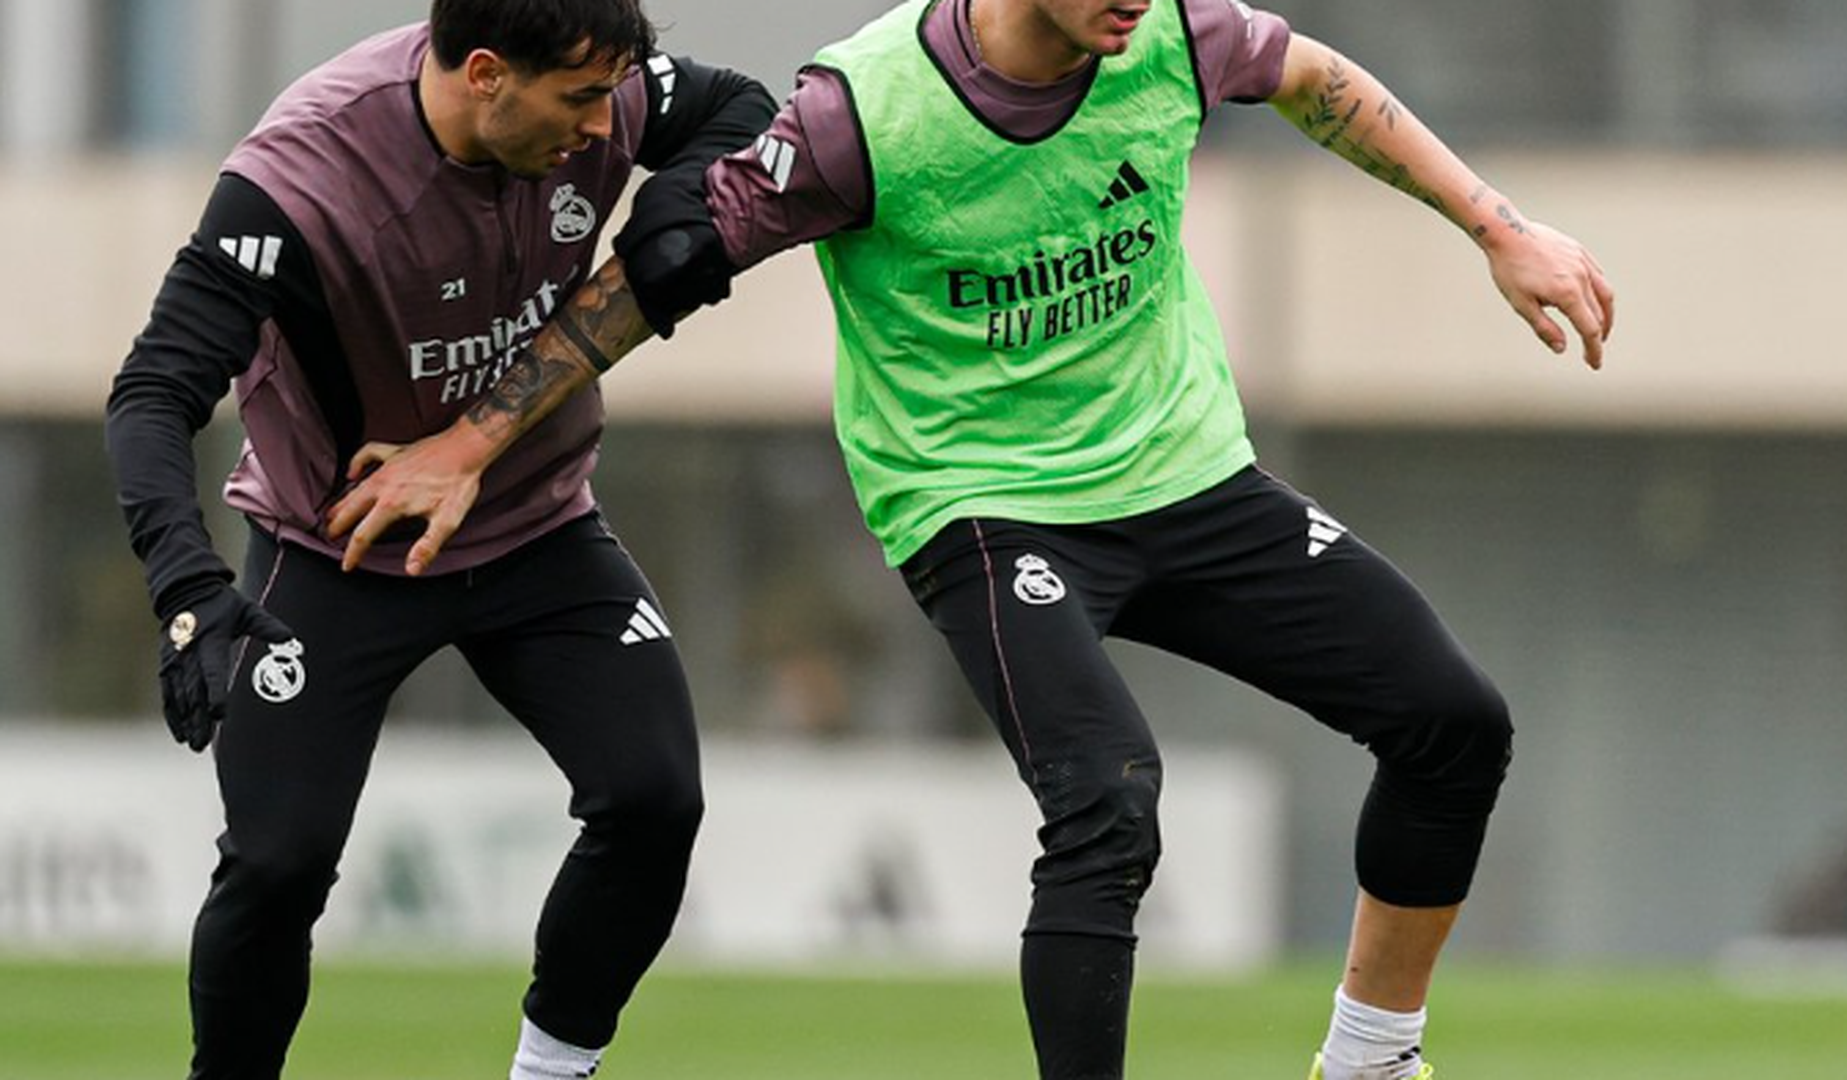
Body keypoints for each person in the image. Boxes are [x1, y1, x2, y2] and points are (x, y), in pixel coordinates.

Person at [327, 1, 1616, 1077]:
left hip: (1185, 474)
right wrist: (470, 443)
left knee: (1454, 722)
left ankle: (1372, 1059)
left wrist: (1499, 228)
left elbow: (1313, 76)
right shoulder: (859, 113)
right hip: (983, 506)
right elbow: (654, 275)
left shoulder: (1173, 34)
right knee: (1108, 800)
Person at [102, 1, 774, 1076]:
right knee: (276, 866)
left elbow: (740, 107)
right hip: (334, 550)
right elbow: (153, 391)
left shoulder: (607, 95)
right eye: (579, 100)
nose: (604, 130)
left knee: (655, 800)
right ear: (486, 74)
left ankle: (552, 1072)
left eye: (612, 97)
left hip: (538, 527)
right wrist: (187, 588)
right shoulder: (301, 179)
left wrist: (673, 218)